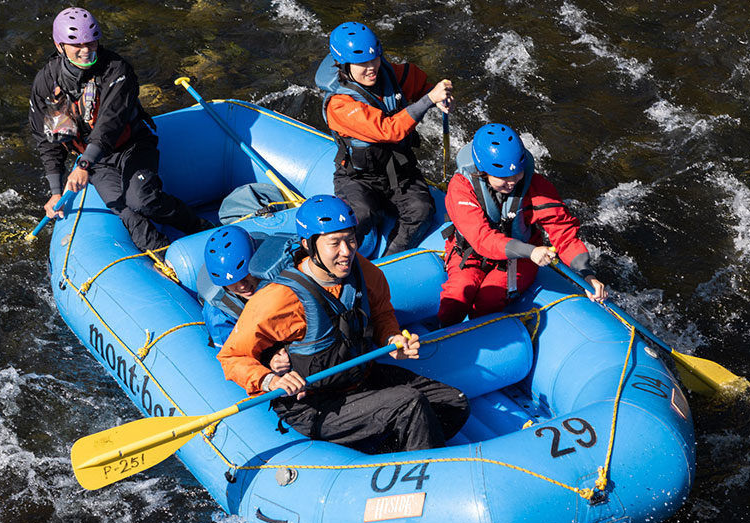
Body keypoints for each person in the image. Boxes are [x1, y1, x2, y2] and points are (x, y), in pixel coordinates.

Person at [218, 195, 469, 454]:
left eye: (350, 239)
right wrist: (270, 380)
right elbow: (232, 356)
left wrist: (391, 339)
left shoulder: (364, 271)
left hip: (360, 379)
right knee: (409, 404)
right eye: (334, 243)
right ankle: (423, 470)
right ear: (309, 245)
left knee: (455, 402)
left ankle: (388, 451)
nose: (346, 251)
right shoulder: (278, 299)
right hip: (315, 403)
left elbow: (382, 312)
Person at [29, 7, 206, 254]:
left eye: (91, 42)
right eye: (76, 44)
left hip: (132, 146)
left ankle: (199, 227)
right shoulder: (46, 83)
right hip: (99, 164)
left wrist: (83, 165)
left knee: (143, 201)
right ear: (59, 46)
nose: (85, 50)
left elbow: (109, 124)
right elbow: (48, 140)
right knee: (127, 212)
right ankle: (165, 257)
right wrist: (56, 191)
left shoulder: (117, 70)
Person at [437, 123, 608, 327]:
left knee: (487, 301)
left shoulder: (535, 186)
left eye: (516, 174)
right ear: (483, 171)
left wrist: (586, 274)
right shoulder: (461, 187)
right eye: (503, 177)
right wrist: (531, 251)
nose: (512, 182)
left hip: (518, 258)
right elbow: (481, 238)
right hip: (472, 251)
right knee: (457, 296)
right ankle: (442, 335)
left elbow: (563, 233)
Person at [315, 21, 452, 256]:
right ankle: (337, 264)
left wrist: (438, 94)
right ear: (344, 65)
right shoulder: (340, 105)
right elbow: (388, 130)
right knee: (361, 215)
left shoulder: (391, 75)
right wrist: (428, 100)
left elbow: (420, 85)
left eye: (374, 59)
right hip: (358, 177)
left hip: (399, 172)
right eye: (362, 63)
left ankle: (387, 264)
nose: (371, 68)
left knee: (421, 211)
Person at [200, 225, 291, 374]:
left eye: (245, 275)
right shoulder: (218, 312)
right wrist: (269, 360)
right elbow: (234, 358)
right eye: (233, 282)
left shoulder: (281, 265)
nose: (242, 286)